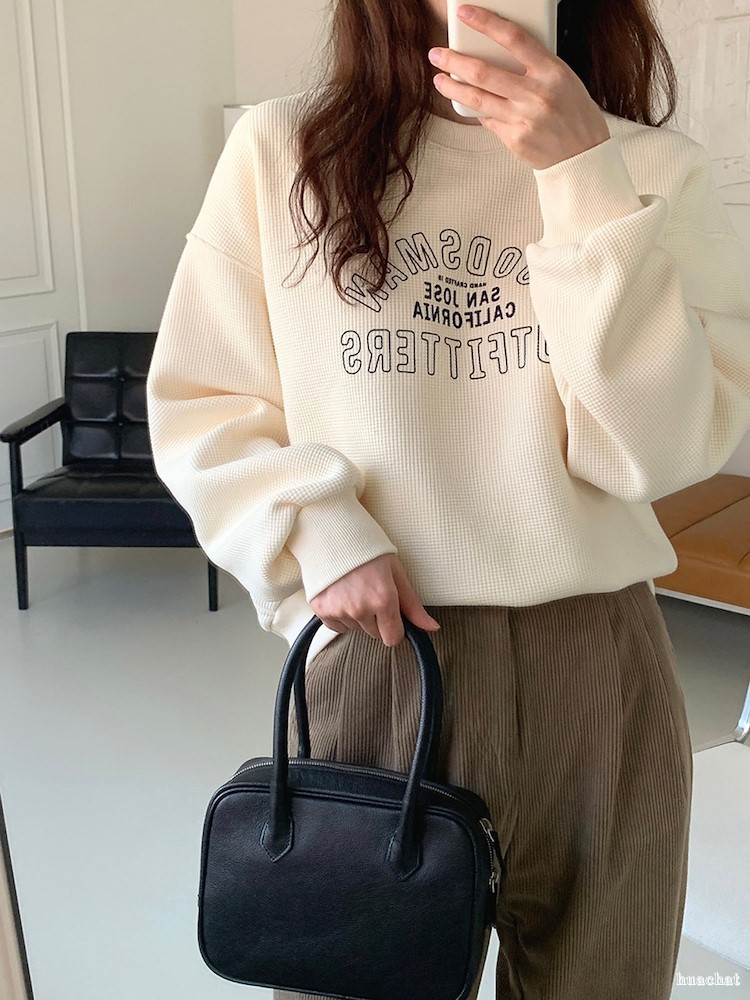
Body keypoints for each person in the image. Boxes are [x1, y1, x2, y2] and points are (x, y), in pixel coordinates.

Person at [146, 1, 750, 997]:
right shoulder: (283, 150)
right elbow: (202, 400)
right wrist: (318, 529)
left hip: (600, 665)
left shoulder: (652, 170)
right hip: (381, 656)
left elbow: (654, 454)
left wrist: (583, 179)